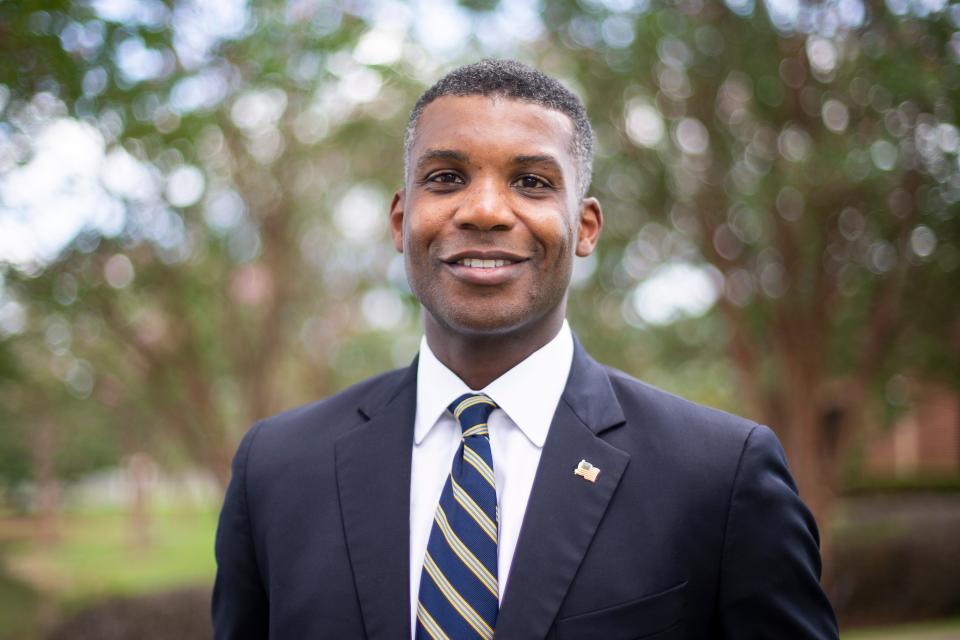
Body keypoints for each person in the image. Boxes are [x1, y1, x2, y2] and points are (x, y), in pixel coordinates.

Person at [212, 59, 839, 639]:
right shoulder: (277, 471)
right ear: (402, 220)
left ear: (585, 227)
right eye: (447, 177)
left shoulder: (720, 475)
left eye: (532, 182)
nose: (484, 210)